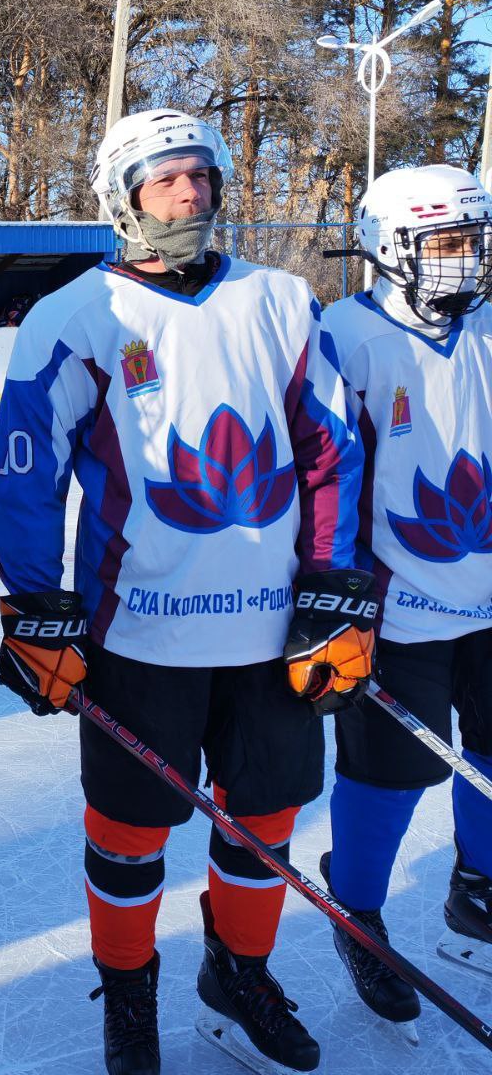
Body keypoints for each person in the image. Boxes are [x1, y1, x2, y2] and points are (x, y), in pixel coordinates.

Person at [0, 108, 372, 1075]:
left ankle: (237, 976)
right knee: (127, 835)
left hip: (273, 636)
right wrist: (36, 604)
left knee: (266, 823)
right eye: (166, 178)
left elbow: (331, 449)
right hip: (136, 638)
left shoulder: (280, 299)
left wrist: (331, 585)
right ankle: (129, 993)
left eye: (202, 175)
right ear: (123, 197)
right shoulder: (76, 317)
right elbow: (24, 476)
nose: (190, 192)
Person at [319, 164, 492, 1028]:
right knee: (391, 773)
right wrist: (335, 599)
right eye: (446, 244)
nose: (465, 261)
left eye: (474, 241)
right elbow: (323, 480)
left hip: (491, 596)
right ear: (392, 247)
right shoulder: (345, 335)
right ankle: (357, 910)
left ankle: (478, 888)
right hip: (399, 608)